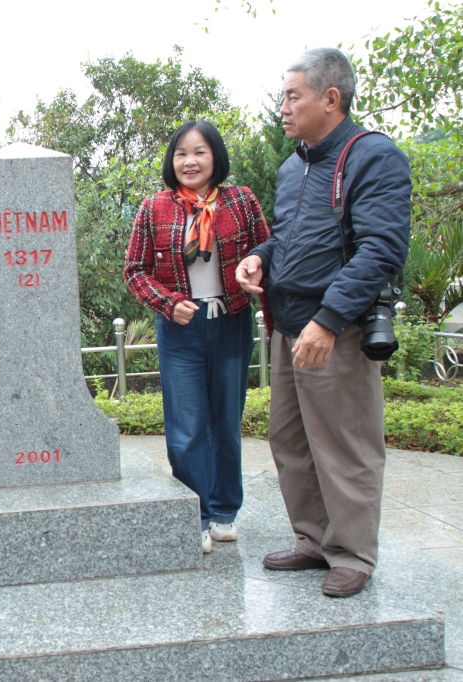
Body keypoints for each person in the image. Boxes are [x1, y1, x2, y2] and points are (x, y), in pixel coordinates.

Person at [236, 48, 411, 597]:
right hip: (288, 324)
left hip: (335, 329)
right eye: (283, 96)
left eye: (293, 96)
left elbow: (381, 248)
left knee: (344, 443)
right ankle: (313, 540)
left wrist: (330, 318)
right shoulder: (295, 166)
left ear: (330, 99)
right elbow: (291, 236)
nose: (282, 108)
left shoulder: (373, 157)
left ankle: (353, 554)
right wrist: (261, 255)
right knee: (289, 440)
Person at [125, 120, 271, 555]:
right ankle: (195, 513)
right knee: (187, 428)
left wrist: (255, 270)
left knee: (226, 421)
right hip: (180, 329)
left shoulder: (241, 201)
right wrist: (169, 303)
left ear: (216, 157)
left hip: (231, 322)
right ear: (173, 161)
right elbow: (134, 270)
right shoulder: (155, 208)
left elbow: (268, 248)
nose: (190, 161)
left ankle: (225, 512)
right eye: (181, 154)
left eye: (200, 152)